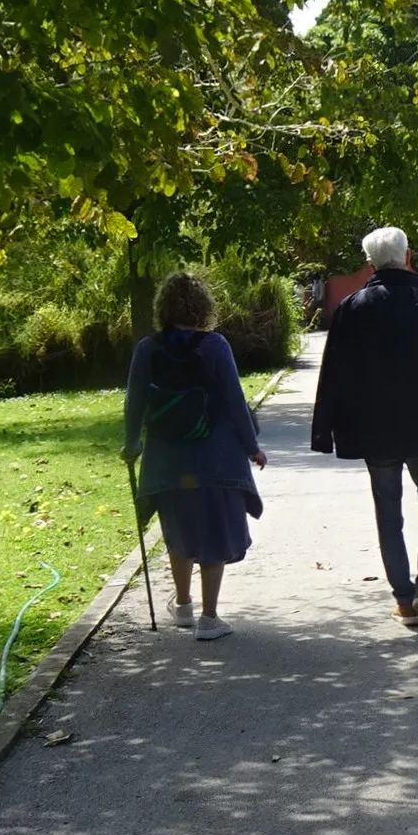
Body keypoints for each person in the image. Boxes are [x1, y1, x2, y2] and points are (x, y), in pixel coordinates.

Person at [310, 226, 418, 627]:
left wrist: (327, 429)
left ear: (370, 262)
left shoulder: (352, 308)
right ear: (407, 257)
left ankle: (406, 603)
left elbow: (334, 373)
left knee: (387, 512)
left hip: (375, 432)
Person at [124, 271, 267, 642]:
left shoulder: (147, 349)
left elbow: (134, 401)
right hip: (213, 459)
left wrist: (132, 443)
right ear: (204, 306)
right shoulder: (215, 345)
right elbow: (235, 402)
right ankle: (210, 618)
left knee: (178, 531)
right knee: (214, 532)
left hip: (167, 462)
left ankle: (183, 607)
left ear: (162, 308)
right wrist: (252, 447)